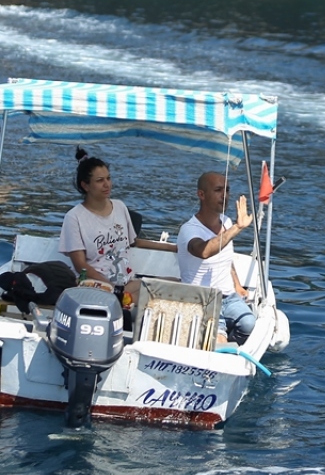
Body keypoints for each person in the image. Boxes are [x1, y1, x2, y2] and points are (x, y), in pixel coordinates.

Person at [59, 147, 171, 314]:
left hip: (127, 283)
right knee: (157, 297)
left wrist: (174, 248)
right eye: (99, 180)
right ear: (85, 185)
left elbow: (133, 242)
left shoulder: (120, 207)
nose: (107, 184)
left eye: (108, 178)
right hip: (97, 287)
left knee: (175, 284)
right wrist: (112, 289)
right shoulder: (74, 217)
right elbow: (80, 265)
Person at [176, 171, 258, 347]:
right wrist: (237, 227)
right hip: (202, 298)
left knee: (250, 324)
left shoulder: (226, 222)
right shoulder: (189, 229)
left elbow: (226, 259)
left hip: (228, 297)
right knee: (218, 336)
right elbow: (204, 251)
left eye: (227, 190)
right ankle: (218, 345)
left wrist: (237, 285)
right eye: (218, 190)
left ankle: (229, 348)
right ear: (201, 195)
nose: (225, 196)